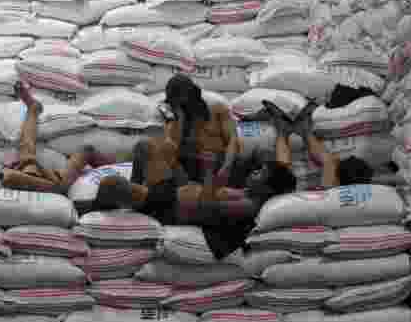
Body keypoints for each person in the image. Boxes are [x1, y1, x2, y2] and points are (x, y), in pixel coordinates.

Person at [92, 99, 305, 260]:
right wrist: (177, 165)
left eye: (259, 174)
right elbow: (196, 190)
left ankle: (96, 214)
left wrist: (209, 170)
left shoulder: (248, 205)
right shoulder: (249, 191)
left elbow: (208, 206)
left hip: (167, 206)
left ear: (268, 189)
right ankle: (132, 200)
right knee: (144, 147)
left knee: (110, 184)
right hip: (175, 190)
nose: (253, 173)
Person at [0, 81, 110, 194]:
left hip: (26, 171)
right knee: (87, 150)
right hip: (55, 181)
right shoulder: (8, 178)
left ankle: (33, 109)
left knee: (26, 147)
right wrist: (36, 165)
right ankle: (122, 170)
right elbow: (56, 187)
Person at [264, 99, 374, 188]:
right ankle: (300, 130)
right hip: (291, 186)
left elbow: (329, 162)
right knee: (284, 171)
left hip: (285, 189)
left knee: (282, 173)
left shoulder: (330, 190)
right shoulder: (329, 188)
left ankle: (288, 131)